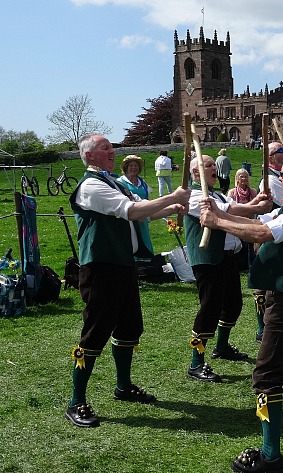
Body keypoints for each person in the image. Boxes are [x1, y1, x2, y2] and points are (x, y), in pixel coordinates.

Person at [199, 156, 283, 473]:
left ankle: (271, 457)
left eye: (281, 175)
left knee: (266, 375)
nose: (278, 179)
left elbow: (261, 236)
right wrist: (219, 212)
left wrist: (217, 222)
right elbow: (257, 224)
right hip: (282, 297)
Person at [65, 134, 190, 428]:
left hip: (123, 266)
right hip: (101, 269)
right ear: (89, 156)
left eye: (111, 146)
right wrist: (172, 197)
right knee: (95, 333)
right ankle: (76, 401)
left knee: (129, 328)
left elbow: (144, 211)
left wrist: (172, 208)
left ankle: (123, 387)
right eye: (105, 147)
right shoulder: (91, 186)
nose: (112, 151)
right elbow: (130, 211)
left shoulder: (115, 183)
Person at [184, 155, 271, 382]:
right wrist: (256, 206)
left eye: (214, 164)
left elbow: (231, 210)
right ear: (195, 173)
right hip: (207, 259)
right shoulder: (194, 196)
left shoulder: (216, 194)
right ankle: (196, 362)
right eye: (208, 166)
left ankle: (221, 347)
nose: (214, 168)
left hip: (227, 258)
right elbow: (226, 211)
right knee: (209, 308)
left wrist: (257, 206)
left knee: (233, 304)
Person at [251, 142, 283, 342]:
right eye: (280, 151)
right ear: (271, 157)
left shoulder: (282, 176)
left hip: (280, 234)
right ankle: (261, 327)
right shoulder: (271, 179)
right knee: (263, 283)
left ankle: (281, 321)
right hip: (267, 234)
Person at [117, 155, 154, 255]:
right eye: (131, 166)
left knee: (144, 238)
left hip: (143, 218)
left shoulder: (142, 182)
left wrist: (146, 212)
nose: (134, 168)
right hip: (129, 218)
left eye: (136, 165)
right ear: (126, 168)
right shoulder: (120, 182)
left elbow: (147, 199)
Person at [228, 168, 258, 269]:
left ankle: (250, 264)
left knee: (249, 243)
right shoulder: (232, 192)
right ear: (237, 178)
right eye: (242, 176)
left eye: (246, 176)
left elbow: (257, 207)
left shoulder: (253, 192)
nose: (244, 178)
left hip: (249, 220)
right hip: (236, 220)